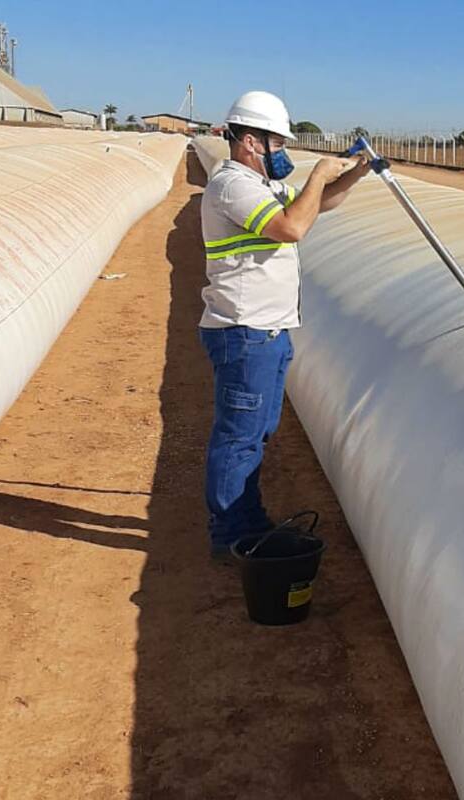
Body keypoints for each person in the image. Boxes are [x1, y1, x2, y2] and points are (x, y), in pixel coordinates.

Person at [198, 90, 372, 562]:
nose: (282, 152)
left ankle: (247, 519)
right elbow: (293, 227)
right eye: (277, 143)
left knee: (256, 431)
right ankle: (231, 532)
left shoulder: (262, 186)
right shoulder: (232, 187)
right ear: (250, 141)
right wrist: (317, 174)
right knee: (239, 436)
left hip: (268, 331)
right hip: (245, 332)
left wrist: (354, 172)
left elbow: (319, 206)